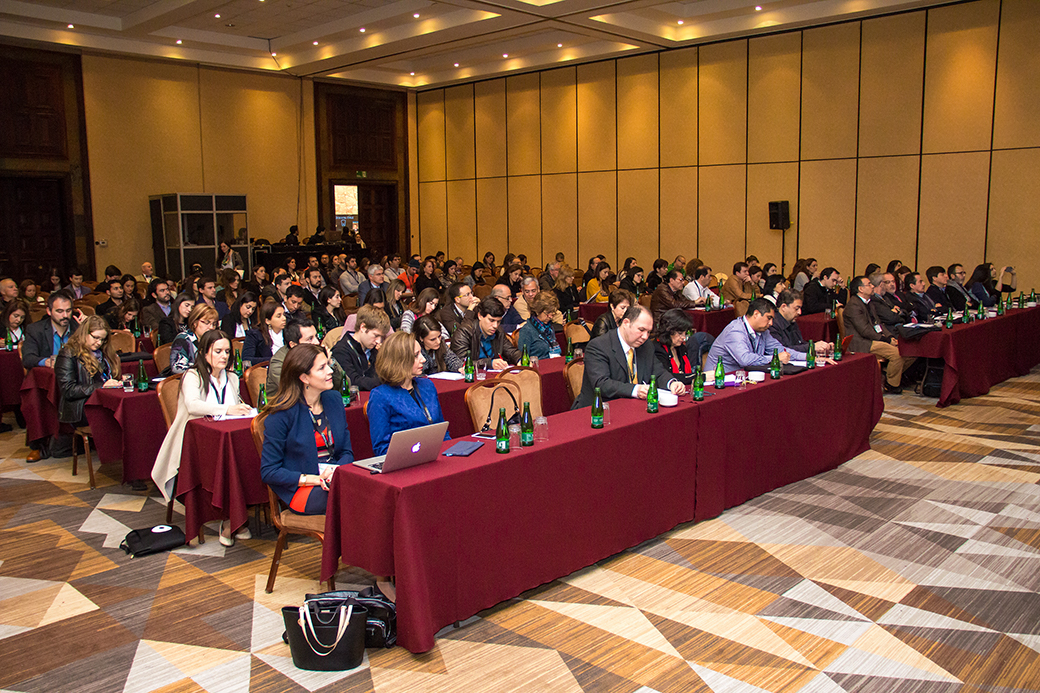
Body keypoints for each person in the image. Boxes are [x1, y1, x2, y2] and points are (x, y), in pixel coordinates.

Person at [154, 330, 252, 539]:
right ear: (204, 353)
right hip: (195, 443)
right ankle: (232, 520)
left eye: (227, 351)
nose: (224, 356)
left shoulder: (232, 377)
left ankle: (235, 517)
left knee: (244, 457)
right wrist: (228, 409)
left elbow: (236, 407)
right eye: (218, 351)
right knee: (229, 461)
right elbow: (193, 405)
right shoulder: (193, 376)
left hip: (223, 438)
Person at [573, 304, 685, 409]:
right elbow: (602, 384)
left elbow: (658, 371)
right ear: (626, 323)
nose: (645, 336)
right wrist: (636, 390)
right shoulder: (598, 346)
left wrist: (671, 383)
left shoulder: (646, 346)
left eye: (648, 332)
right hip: (599, 410)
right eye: (641, 330)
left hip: (633, 407)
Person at [367, 332, 451, 456]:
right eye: (416, 355)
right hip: (405, 461)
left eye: (421, 353)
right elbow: (382, 448)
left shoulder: (427, 386)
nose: (423, 359)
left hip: (437, 456)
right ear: (399, 361)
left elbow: (443, 431)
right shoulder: (380, 396)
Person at [844, 276, 916, 394]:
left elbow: (879, 324)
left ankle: (886, 375)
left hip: (875, 338)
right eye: (869, 284)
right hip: (862, 342)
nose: (872, 286)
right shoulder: (854, 305)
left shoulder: (870, 303)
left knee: (909, 352)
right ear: (860, 289)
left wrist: (889, 337)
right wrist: (885, 340)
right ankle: (892, 385)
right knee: (897, 354)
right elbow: (865, 330)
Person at [54, 316, 121, 429]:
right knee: (116, 417)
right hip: (80, 407)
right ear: (84, 333)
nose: (99, 342)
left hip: (102, 400)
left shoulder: (103, 353)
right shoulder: (68, 353)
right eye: (96, 337)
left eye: (102, 339)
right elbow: (68, 390)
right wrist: (101, 386)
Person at [704, 298, 792, 374]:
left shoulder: (763, 331)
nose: (771, 323)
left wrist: (800, 356)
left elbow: (780, 350)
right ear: (756, 314)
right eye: (769, 318)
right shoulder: (735, 331)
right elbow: (745, 360)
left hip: (741, 377)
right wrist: (774, 358)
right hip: (718, 380)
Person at [450, 295, 521, 369]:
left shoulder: (498, 331)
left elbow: (511, 351)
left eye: (499, 321)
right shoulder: (464, 332)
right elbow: (461, 363)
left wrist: (520, 359)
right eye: (491, 320)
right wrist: (489, 363)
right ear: (480, 316)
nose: (495, 326)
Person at [332, 304, 388, 391]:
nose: (378, 341)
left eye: (381, 337)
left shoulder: (372, 349)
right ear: (363, 327)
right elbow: (353, 381)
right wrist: (385, 382)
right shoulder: (340, 351)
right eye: (376, 335)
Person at [22, 291, 81, 370]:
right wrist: (46, 362)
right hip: (47, 375)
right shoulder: (35, 329)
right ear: (49, 311)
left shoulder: (78, 328)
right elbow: (28, 359)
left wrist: (88, 327)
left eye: (68, 311)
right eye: (60, 311)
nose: (65, 315)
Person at [768, 290, 833, 357]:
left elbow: (799, 343)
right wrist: (811, 347)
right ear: (784, 307)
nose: (800, 312)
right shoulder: (772, 324)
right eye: (796, 309)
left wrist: (821, 346)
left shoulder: (791, 320)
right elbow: (783, 350)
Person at [266, 318, 320, 397]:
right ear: (293, 345)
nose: (317, 342)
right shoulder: (279, 363)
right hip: (285, 403)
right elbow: (296, 391)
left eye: (316, 336)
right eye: (310, 339)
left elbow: (337, 383)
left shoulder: (317, 353)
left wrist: (330, 363)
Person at [652, 309, 697, 386]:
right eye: (680, 333)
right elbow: (668, 377)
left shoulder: (680, 348)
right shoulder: (658, 349)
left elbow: (683, 375)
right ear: (669, 331)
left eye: (685, 333)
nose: (683, 337)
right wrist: (699, 377)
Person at [169, 304, 219, 374]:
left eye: (214, 324)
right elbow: (177, 368)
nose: (211, 327)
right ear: (195, 323)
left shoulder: (215, 340)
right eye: (207, 323)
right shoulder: (183, 340)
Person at [517, 291, 563, 359]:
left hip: (553, 361)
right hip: (538, 364)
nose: (550, 317)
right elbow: (523, 358)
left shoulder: (549, 328)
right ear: (538, 311)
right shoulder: (527, 330)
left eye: (553, 313)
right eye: (547, 313)